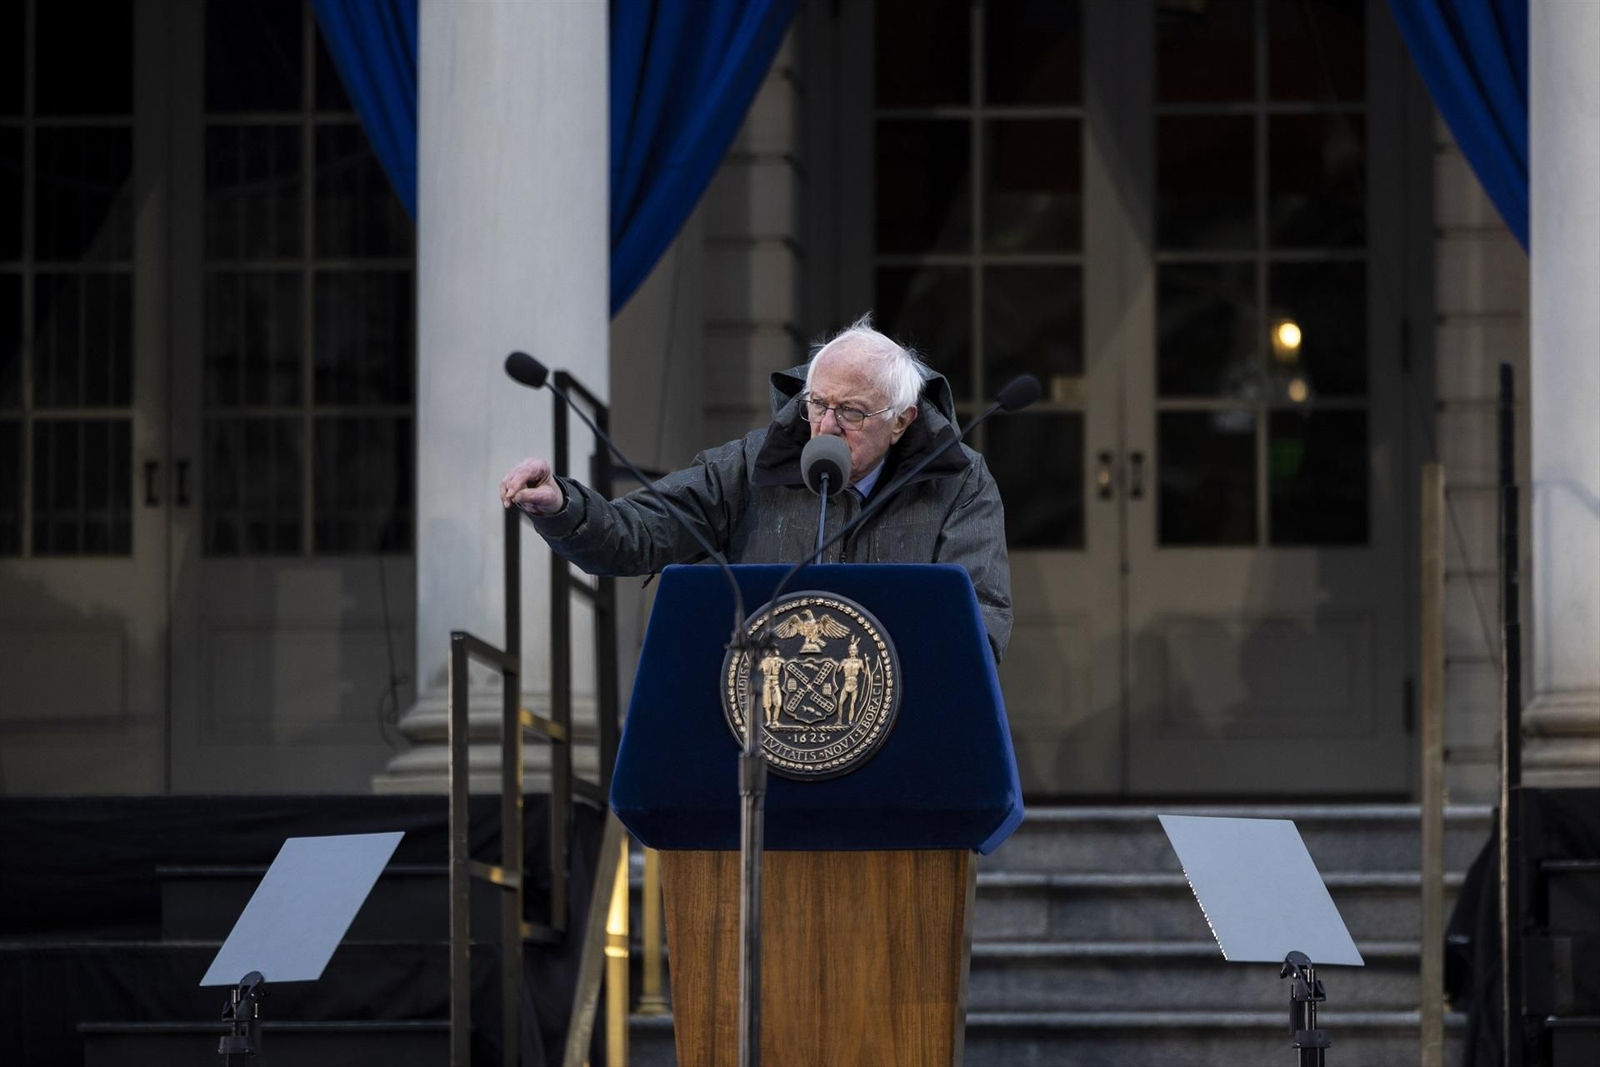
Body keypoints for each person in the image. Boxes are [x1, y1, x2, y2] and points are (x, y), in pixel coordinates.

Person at [500, 314, 1013, 660]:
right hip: (765, 720)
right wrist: (562, 505)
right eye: (817, 404)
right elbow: (637, 533)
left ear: (900, 421)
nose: (827, 426)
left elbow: (980, 621)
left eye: (851, 412)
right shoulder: (751, 463)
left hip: (900, 720)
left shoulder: (959, 482)